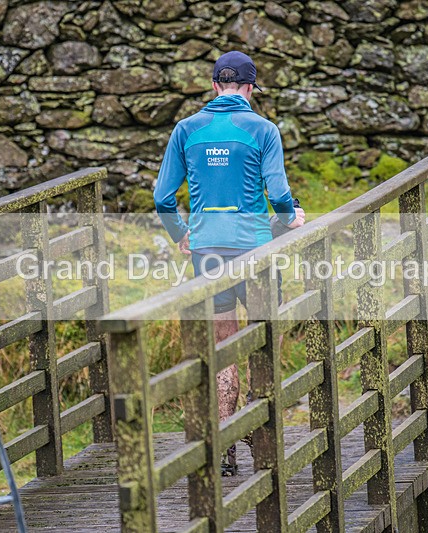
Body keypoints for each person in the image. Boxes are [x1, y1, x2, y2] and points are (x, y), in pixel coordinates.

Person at [153, 50, 305, 476]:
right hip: (255, 249)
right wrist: (292, 216)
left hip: (207, 252)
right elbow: (277, 192)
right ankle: (265, 448)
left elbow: (163, 198)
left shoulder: (186, 129)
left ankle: (223, 451)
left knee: (222, 350)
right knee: (263, 346)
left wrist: (182, 234)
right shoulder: (263, 128)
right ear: (250, 88)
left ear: (215, 85)